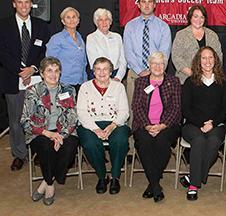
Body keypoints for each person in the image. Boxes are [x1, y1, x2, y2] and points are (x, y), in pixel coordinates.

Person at [0, 0, 49, 171]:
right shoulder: (3, 26)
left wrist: (33, 69)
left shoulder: (42, 26)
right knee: (16, 120)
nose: (24, 6)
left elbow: (44, 52)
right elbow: (2, 52)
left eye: (27, 2)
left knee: (38, 118)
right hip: (13, 79)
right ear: (14, 4)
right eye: (20, 2)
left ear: (31, 4)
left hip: (36, 78)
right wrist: (21, 71)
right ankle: (19, 154)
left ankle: (38, 152)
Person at [21, 57, 78, 205]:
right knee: (46, 147)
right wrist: (48, 134)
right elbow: (25, 120)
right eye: (49, 71)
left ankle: (46, 183)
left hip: (64, 130)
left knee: (71, 145)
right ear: (41, 73)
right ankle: (51, 185)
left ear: (60, 73)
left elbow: (73, 118)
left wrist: (61, 135)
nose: (53, 74)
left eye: (56, 71)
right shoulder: (33, 91)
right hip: (40, 132)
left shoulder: (69, 90)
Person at [131, 51, 182, 203]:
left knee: (162, 143)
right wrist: (147, 126)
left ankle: (152, 185)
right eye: (154, 63)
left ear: (165, 65)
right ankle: (155, 185)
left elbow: (176, 107)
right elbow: (137, 106)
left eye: (161, 63)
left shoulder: (173, 81)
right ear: (149, 65)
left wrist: (161, 126)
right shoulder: (141, 82)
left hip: (167, 125)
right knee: (144, 143)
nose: (158, 66)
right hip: (143, 124)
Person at [180, 46, 226, 201]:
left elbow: (225, 109)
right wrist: (201, 124)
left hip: (216, 125)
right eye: (204, 58)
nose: (207, 61)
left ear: (215, 60)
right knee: (199, 140)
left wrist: (212, 124)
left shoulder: (223, 82)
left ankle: (194, 177)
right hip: (193, 125)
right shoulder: (190, 82)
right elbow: (185, 109)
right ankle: (194, 185)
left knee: (213, 141)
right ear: (198, 61)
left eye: (210, 57)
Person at [77, 57, 130, 194]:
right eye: (98, 69)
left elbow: (124, 111)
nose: (102, 72)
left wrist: (113, 125)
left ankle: (115, 177)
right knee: (89, 143)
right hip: (91, 123)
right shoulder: (85, 87)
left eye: (105, 69)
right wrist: (95, 129)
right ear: (93, 71)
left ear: (111, 71)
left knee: (120, 140)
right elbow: (81, 112)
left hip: (114, 122)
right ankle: (102, 176)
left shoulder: (119, 87)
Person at [124, 0, 171, 125]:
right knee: (133, 111)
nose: (146, 5)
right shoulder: (130, 26)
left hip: (157, 75)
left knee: (157, 110)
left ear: (154, 5)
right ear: (138, 5)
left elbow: (164, 53)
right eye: (143, 2)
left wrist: (152, 71)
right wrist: (140, 71)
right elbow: (128, 52)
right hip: (135, 74)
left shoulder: (163, 27)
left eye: (150, 2)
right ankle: (133, 144)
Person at [172, 5, 222, 84]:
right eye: (196, 16)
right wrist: (193, 74)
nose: (199, 20)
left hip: (209, 80)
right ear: (190, 17)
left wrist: (207, 75)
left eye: (202, 17)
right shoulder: (181, 35)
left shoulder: (212, 35)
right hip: (186, 79)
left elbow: (218, 56)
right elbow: (176, 57)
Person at [46, 6, 87, 91]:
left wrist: (85, 81)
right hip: (63, 83)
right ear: (63, 21)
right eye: (68, 17)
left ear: (78, 20)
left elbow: (84, 63)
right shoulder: (56, 39)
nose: (71, 20)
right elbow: (49, 63)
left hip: (80, 83)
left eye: (74, 17)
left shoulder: (80, 39)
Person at [86, 8, 127, 81]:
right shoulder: (91, 38)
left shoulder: (117, 37)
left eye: (107, 19)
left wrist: (118, 77)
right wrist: (106, 79)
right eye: (100, 20)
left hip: (116, 75)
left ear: (110, 22)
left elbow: (123, 60)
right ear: (96, 23)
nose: (104, 22)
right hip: (99, 75)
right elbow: (93, 62)